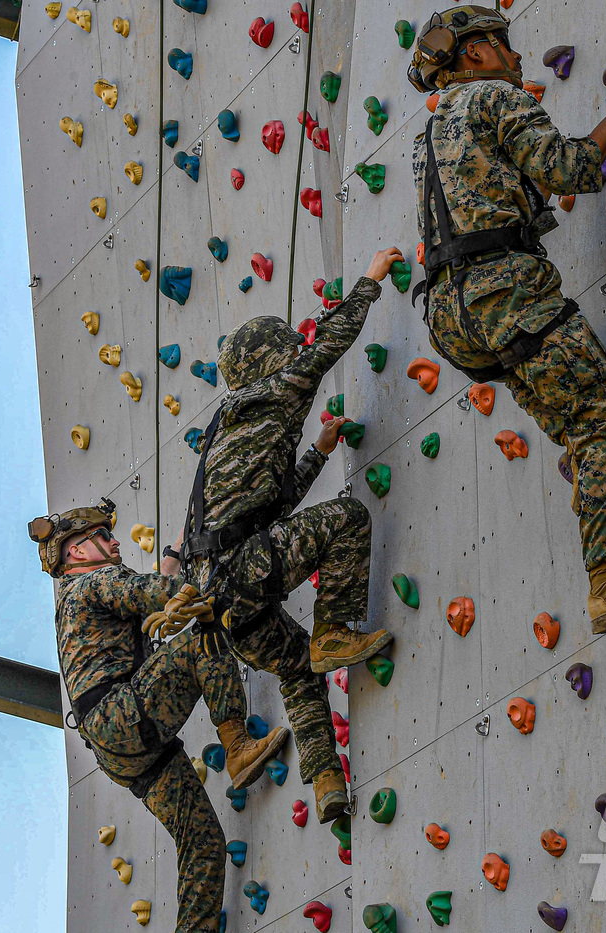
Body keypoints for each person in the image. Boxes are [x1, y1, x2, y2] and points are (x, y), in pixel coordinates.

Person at [407, 6, 606, 633]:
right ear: (475, 54)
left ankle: (601, 532)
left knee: (579, 424)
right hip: (506, 296)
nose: (516, 59)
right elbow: (572, 169)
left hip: (453, 319)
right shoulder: (492, 98)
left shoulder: (429, 134)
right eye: (503, 45)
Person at [176, 247, 404, 821]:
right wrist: (370, 279)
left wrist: (319, 453)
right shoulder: (276, 389)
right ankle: (333, 631)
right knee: (348, 520)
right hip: (244, 569)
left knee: (297, 668)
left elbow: (269, 506)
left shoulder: (227, 428)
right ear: (271, 359)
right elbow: (330, 343)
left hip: (219, 602)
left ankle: (327, 781)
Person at [32, 499, 287, 933]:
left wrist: (171, 561)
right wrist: (205, 574)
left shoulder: (72, 602)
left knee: (202, 842)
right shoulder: (95, 582)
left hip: (119, 750)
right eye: (103, 537)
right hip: (123, 714)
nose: (115, 543)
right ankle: (238, 749)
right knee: (200, 643)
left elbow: (145, 610)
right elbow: (157, 596)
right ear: (76, 551)